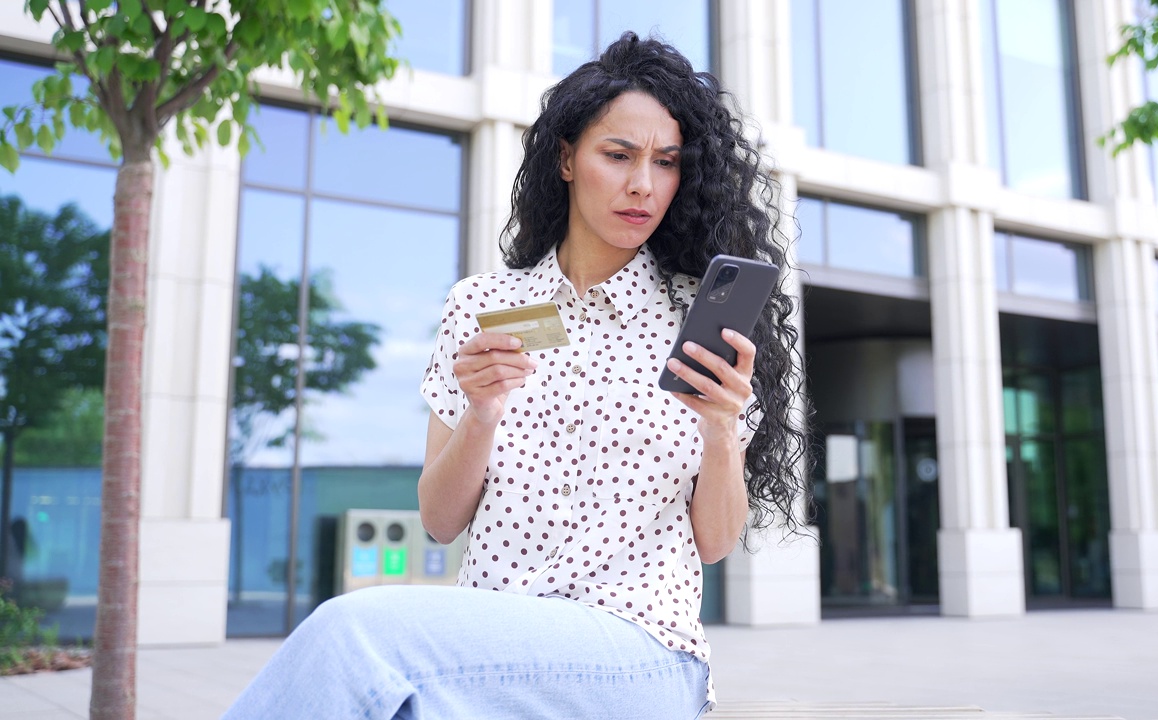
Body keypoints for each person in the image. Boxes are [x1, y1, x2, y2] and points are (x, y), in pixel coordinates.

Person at [223, 31, 806, 720]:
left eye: (666, 163)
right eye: (617, 155)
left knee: (353, 637)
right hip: (489, 644)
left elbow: (714, 543)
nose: (642, 184)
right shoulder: (482, 306)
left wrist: (719, 429)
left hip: (640, 650)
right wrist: (481, 412)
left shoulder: (696, 319)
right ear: (565, 157)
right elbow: (440, 522)